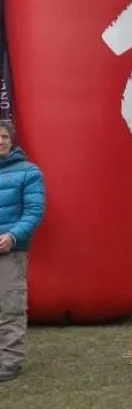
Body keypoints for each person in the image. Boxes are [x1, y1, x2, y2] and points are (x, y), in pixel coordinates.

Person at [0, 120, 46, 382]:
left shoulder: (29, 172)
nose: (0, 141)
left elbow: (34, 211)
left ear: (11, 141)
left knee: (10, 307)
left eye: (4, 137)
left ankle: (10, 361)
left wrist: (13, 236)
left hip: (10, 251)